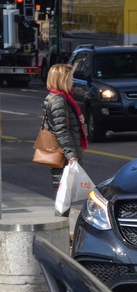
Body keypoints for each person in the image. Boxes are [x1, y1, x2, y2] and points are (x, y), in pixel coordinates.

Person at [43, 64, 88, 217]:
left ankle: (60, 226)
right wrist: (71, 155)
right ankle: (60, 228)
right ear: (62, 79)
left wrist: (77, 118)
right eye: (69, 78)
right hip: (63, 155)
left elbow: (63, 123)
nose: (72, 81)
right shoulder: (59, 101)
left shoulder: (61, 98)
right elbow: (61, 130)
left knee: (65, 195)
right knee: (65, 197)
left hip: (65, 153)